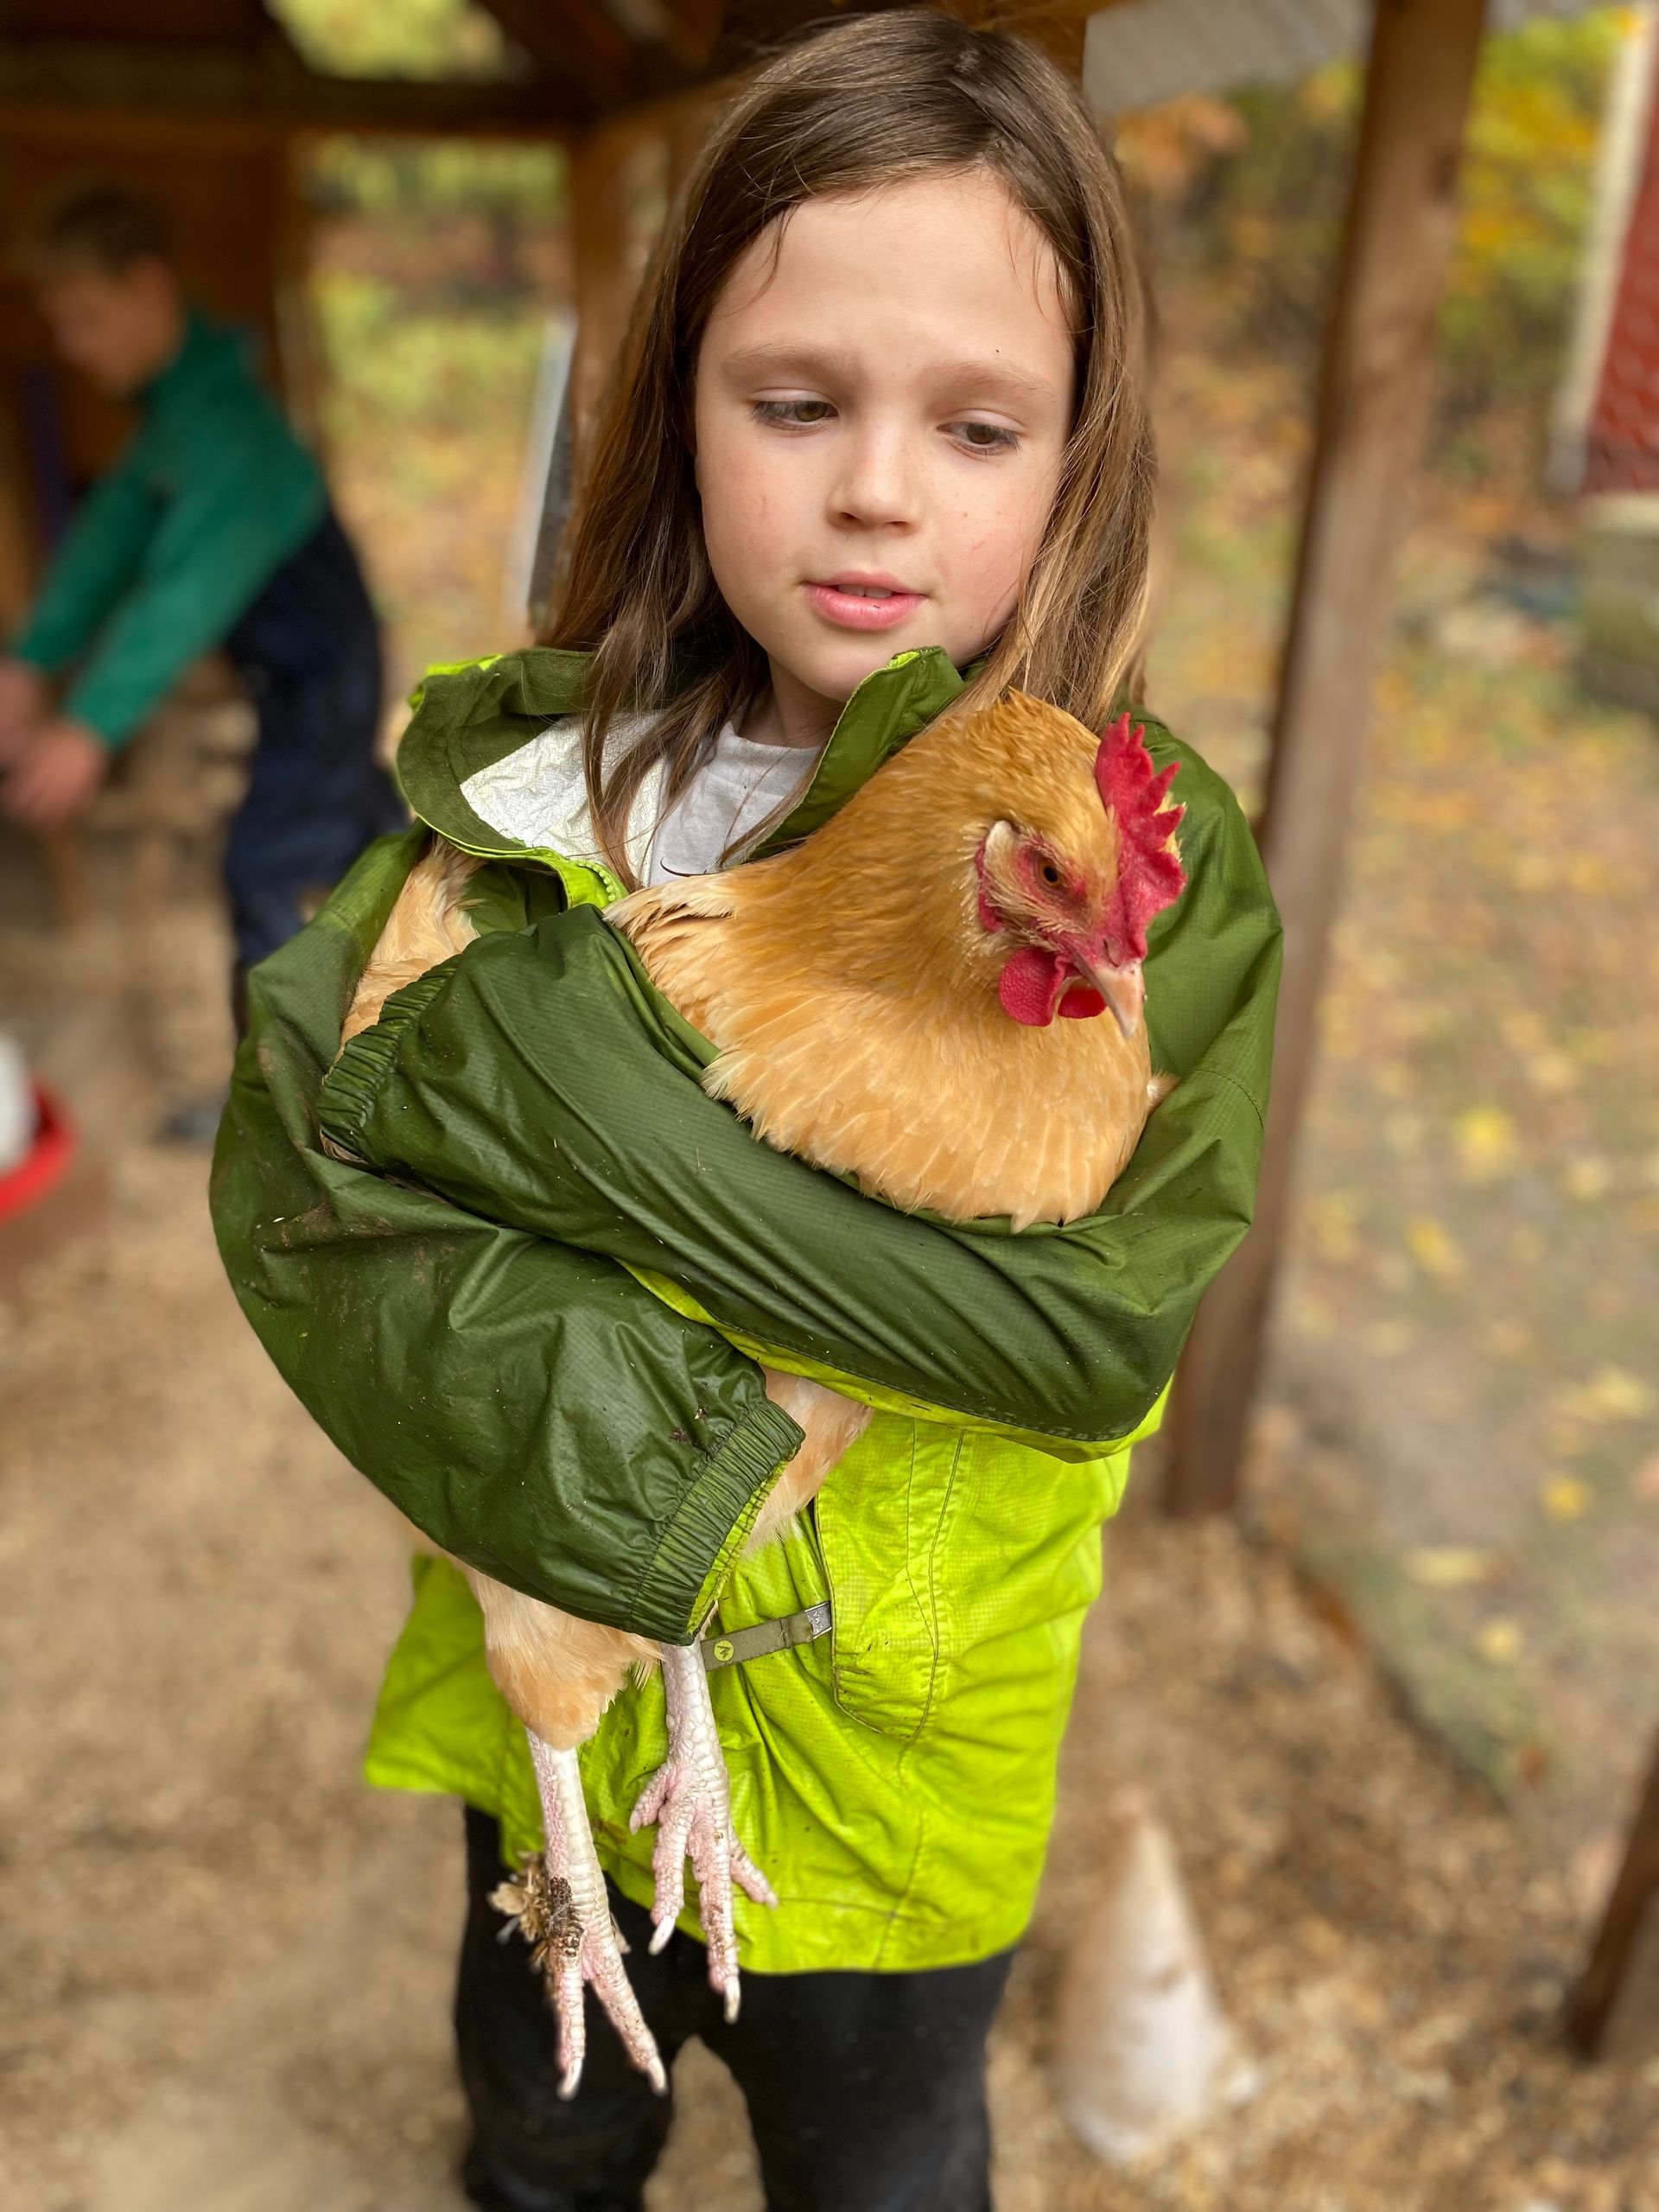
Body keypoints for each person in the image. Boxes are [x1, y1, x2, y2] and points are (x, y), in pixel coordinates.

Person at [212, 17, 1281, 2211]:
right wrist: (678, 1462)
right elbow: (321, 1180)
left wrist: (564, 1113)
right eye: (793, 404)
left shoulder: (1134, 851)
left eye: (976, 424)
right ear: (672, 406)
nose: (876, 488)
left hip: (905, 1753)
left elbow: (1097, 1339)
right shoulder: (536, 793)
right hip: (560, 1718)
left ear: (1081, 451)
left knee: (887, 2170)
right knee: (540, 2118)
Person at [0, 187, 402, 1028]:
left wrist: (88, 725)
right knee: (372, 843)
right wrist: (32, 660)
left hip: (325, 680)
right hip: (293, 680)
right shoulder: (175, 417)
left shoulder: (227, 432)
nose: (72, 347)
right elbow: (106, 544)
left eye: (86, 316)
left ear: (149, 289)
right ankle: (417, 1009)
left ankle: (285, 1084)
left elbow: (180, 595)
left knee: (264, 869)